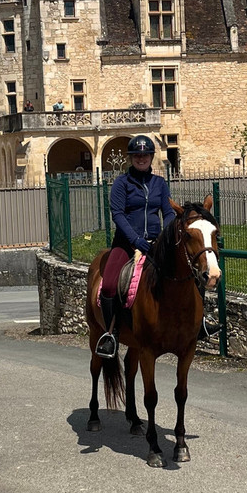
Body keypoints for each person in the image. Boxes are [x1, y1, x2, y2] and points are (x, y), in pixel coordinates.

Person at [95, 135, 175, 358]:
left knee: (187, 273)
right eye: (137, 155)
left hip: (155, 245)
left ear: (151, 157)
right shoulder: (122, 183)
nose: (141, 158)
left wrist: (164, 236)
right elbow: (118, 215)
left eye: (145, 155)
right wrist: (134, 239)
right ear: (131, 158)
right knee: (110, 285)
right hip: (126, 244)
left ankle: (198, 324)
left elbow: (168, 212)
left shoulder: (159, 183)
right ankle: (111, 334)